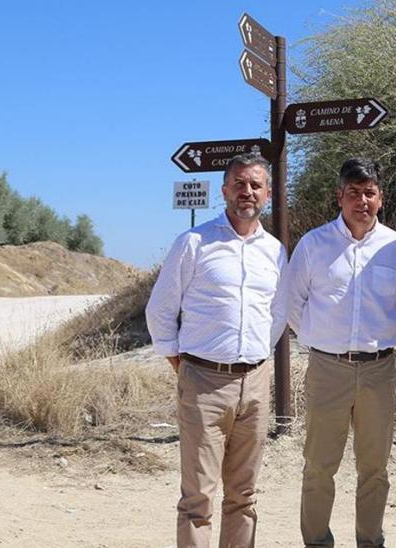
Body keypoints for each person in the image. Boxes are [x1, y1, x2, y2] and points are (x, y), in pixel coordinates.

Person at [145, 152, 287, 548]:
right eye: (239, 184)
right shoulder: (193, 242)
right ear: (224, 190)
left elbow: (278, 314)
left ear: (267, 195)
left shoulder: (275, 252)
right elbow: (160, 310)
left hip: (255, 384)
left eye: (255, 185)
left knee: (244, 496)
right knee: (198, 497)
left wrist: (256, 355)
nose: (247, 192)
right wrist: (182, 364)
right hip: (203, 382)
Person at [279, 158, 396, 548]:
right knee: (319, 467)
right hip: (327, 370)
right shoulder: (314, 244)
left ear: (381, 198)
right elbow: (293, 301)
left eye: (369, 193)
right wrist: (320, 341)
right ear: (339, 196)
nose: (362, 201)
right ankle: (317, 541)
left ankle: (370, 541)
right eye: (353, 192)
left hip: (379, 371)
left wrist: (383, 338)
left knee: (375, 468)